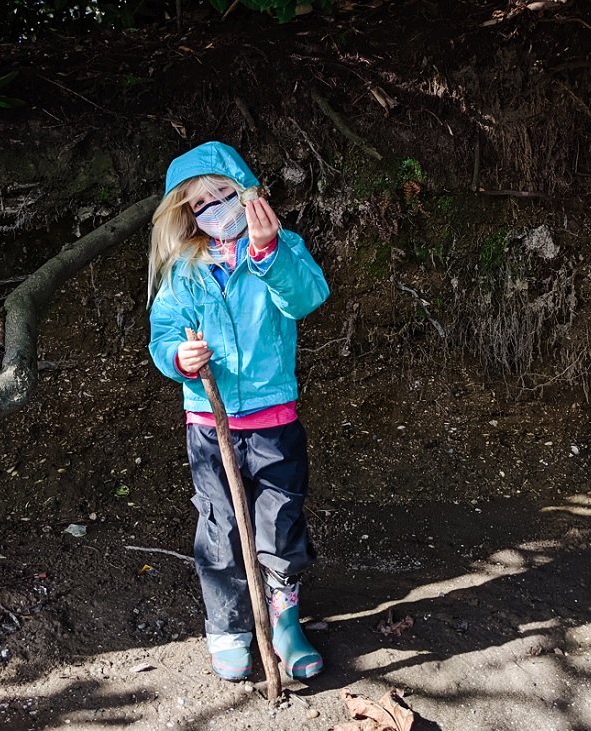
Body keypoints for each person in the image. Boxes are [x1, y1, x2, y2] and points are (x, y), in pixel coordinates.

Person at [146, 141, 330, 682]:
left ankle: (285, 621)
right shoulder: (183, 270)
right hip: (211, 424)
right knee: (220, 527)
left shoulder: (281, 248)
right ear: (186, 215)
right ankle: (227, 626)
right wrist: (179, 358)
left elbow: (305, 298)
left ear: (250, 195)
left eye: (226, 194)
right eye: (202, 203)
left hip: (274, 421)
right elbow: (162, 337)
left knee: (279, 523)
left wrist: (269, 251)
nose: (217, 208)